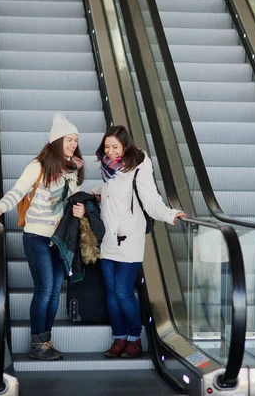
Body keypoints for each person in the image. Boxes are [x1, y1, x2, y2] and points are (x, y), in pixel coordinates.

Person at [0, 113, 85, 360]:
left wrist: (79, 209)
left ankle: (45, 342)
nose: (73, 144)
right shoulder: (37, 166)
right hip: (36, 237)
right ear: (56, 141)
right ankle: (37, 344)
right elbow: (17, 191)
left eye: (75, 140)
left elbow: (72, 202)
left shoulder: (72, 170)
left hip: (60, 240)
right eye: (69, 139)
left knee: (55, 289)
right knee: (45, 287)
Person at [91, 125, 186, 358]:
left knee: (123, 291)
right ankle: (119, 338)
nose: (111, 152)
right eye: (107, 147)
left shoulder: (139, 166)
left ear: (126, 145)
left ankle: (134, 339)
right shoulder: (107, 169)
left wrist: (169, 214)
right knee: (112, 293)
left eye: (115, 147)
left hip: (129, 238)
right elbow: (109, 193)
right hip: (107, 239)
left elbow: (151, 199)